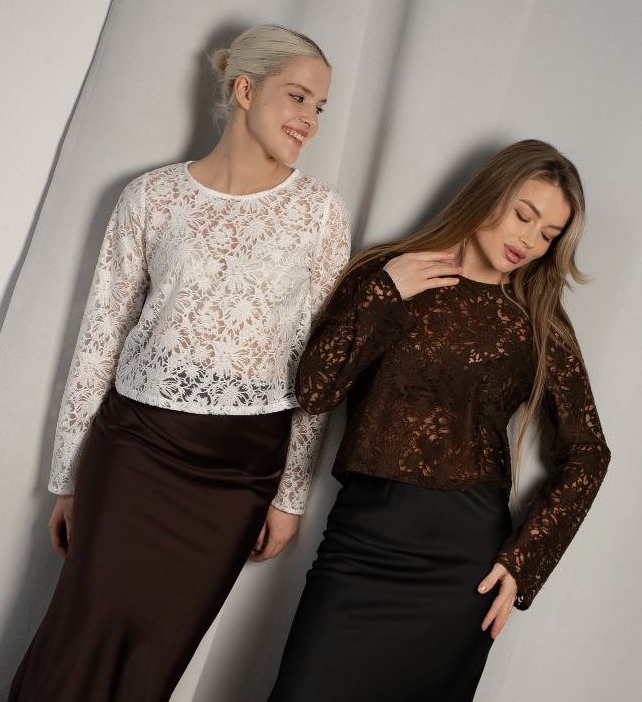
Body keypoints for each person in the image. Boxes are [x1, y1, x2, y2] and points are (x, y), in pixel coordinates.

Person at [9, 24, 350, 702]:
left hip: (238, 470)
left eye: (319, 106)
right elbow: (98, 338)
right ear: (245, 90)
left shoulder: (321, 215)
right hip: (132, 451)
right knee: (80, 632)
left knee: (155, 658)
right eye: (298, 97)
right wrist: (68, 478)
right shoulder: (150, 196)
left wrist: (289, 495)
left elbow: (318, 368)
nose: (310, 120)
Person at [267, 139, 610, 702]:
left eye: (549, 234)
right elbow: (315, 390)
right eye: (524, 215)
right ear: (490, 194)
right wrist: (385, 293)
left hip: (462, 566)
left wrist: (526, 561)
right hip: (361, 546)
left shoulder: (536, 323)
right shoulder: (387, 273)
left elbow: (589, 452)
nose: (529, 241)